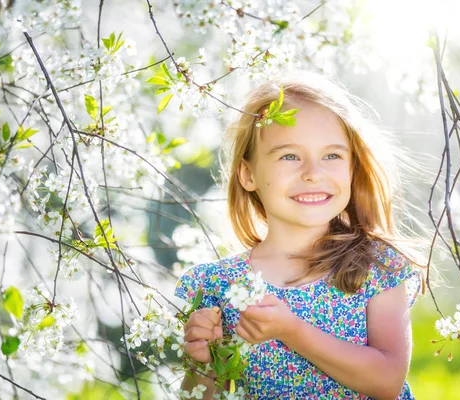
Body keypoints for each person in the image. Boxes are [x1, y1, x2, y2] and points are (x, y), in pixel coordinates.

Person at [174, 72, 427, 400]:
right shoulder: (217, 285)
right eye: (289, 156)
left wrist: (292, 331)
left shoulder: (374, 266)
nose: (312, 173)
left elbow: (387, 381)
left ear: (352, 167)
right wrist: (202, 366)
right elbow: (207, 394)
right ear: (248, 174)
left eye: (332, 156)